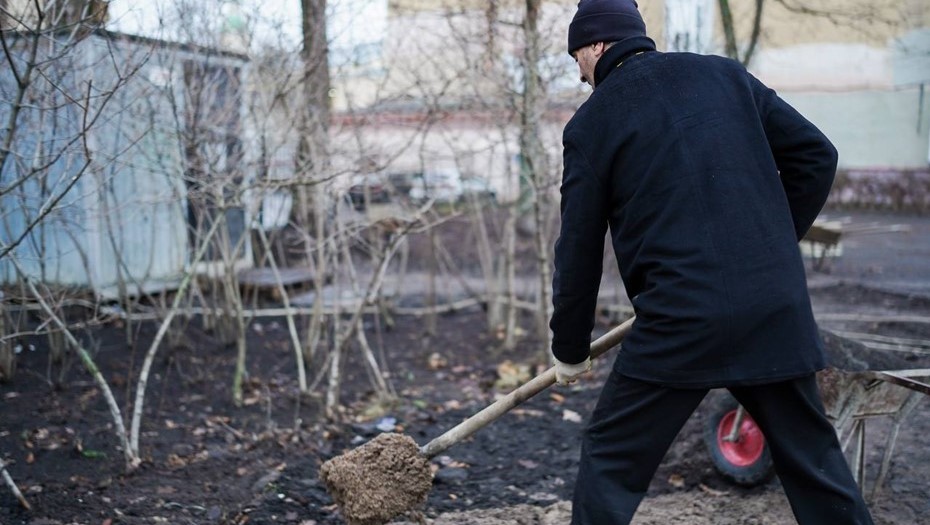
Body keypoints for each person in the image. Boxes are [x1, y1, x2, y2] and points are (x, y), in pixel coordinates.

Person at [549, 1, 874, 524]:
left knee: (611, 460)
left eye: (577, 60)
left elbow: (579, 249)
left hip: (682, 320)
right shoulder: (724, 75)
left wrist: (569, 349)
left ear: (595, 45)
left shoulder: (591, 124)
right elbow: (817, 155)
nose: (581, 75)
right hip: (773, 309)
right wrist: (769, 248)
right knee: (815, 466)